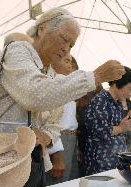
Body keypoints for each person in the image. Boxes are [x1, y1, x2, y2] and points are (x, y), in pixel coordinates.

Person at [0, 7, 125, 187]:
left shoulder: (49, 73)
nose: (66, 49)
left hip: (25, 160)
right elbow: (34, 94)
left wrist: (46, 136)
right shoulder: (17, 50)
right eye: (64, 39)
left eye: (71, 45)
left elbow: (54, 121)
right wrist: (95, 76)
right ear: (42, 28)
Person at [83, 66, 131, 175]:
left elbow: (118, 129)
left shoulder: (117, 103)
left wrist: (128, 125)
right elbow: (100, 131)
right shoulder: (101, 100)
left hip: (114, 159)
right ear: (116, 83)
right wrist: (122, 127)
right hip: (100, 161)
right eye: (129, 88)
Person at [45, 55, 80, 185]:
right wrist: (57, 155)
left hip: (70, 139)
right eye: (66, 61)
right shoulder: (52, 85)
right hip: (59, 139)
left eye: (72, 63)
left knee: (68, 180)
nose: (70, 66)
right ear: (53, 63)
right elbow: (49, 123)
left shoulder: (68, 87)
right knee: (58, 180)